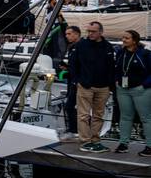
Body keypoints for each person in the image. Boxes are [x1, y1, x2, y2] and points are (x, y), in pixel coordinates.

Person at [69, 20, 117, 151]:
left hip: (103, 87)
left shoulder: (108, 46)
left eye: (93, 32)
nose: (90, 34)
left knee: (99, 115)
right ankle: (85, 141)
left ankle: (95, 140)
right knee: (83, 115)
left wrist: (110, 85)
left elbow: (112, 67)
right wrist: (77, 81)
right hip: (85, 85)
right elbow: (73, 64)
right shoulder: (81, 45)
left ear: (101, 32)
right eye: (88, 31)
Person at [110, 29, 151, 156]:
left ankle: (149, 146)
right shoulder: (121, 52)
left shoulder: (144, 53)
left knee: (146, 118)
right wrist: (116, 81)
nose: (123, 40)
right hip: (123, 89)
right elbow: (116, 68)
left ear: (134, 40)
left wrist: (144, 85)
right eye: (123, 37)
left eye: (126, 38)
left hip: (140, 90)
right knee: (125, 117)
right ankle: (123, 144)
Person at [58, 24, 82, 139]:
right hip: (71, 80)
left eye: (69, 34)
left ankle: (74, 130)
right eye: (66, 34)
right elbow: (75, 66)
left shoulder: (81, 47)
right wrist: (67, 68)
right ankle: (73, 129)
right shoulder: (72, 47)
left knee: (69, 106)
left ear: (77, 34)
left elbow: (83, 66)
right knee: (70, 106)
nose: (67, 36)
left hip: (77, 82)